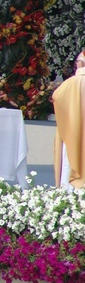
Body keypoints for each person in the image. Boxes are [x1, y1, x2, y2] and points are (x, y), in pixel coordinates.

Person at [53, 52, 85, 188]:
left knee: (70, 157)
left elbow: (56, 97)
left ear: (81, 64)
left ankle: (69, 191)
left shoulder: (71, 82)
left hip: (73, 128)